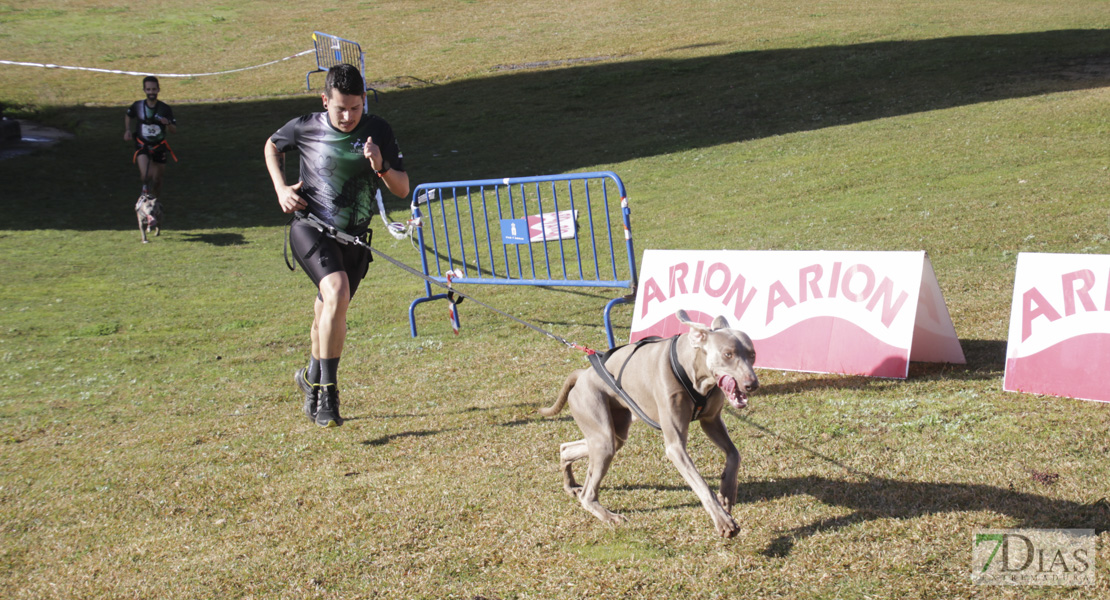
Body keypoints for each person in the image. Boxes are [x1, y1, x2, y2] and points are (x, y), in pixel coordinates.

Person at [264, 63, 409, 428]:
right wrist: (281, 188)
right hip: (311, 228)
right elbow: (272, 145)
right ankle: (328, 391)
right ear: (325, 100)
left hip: (355, 240)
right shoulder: (306, 126)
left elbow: (402, 188)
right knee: (337, 291)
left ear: (364, 99)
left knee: (325, 312)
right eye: (339, 108)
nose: (347, 116)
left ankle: (310, 379)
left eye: (355, 108)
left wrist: (380, 166)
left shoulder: (379, 131)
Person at [124, 76, 177, 200]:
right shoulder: (137, 106)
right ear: (144, 90)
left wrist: (167, 123)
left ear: (158, 90)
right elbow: (128, 115)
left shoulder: (165, 108)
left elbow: (174, 130)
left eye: (153, 89)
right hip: (142, 145)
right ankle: (145, 195)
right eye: (148, 90)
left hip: (159, 146)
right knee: (146, 175)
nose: (151, 92)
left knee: (158, 179)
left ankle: (155, 202)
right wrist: (127, 130)